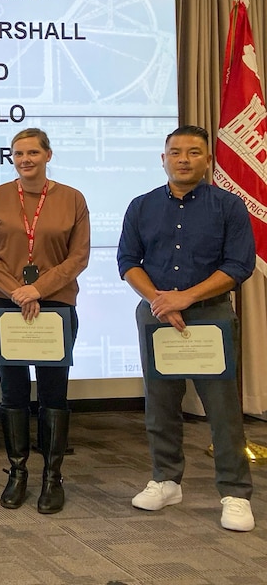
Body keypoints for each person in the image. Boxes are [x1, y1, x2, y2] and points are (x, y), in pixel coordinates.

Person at [117, 125, 255, 532]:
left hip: (210, 316)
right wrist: (161, 301)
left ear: (207, 160)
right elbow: (128, 261)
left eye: (193, 152)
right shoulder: (141, 206)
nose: (183, 159)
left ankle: (234, 493)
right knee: (159, 405)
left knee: (223, 410)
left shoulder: (229, 207)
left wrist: (185, 297)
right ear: (163, 159)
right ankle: (165, 480)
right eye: (175, 152)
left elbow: (238, 266)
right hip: (156, 317)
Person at [0, 128, 89, 514]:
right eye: (18, 153)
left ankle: (52, 477)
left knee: (54, 393)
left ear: (48, 155)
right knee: (12, 391)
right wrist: (15, 291)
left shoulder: (72, 198)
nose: (26, 159)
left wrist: (37, 289)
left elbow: (79, 257)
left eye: (33, 152)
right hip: (4, 306)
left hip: (55, 306)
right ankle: (18, 471)